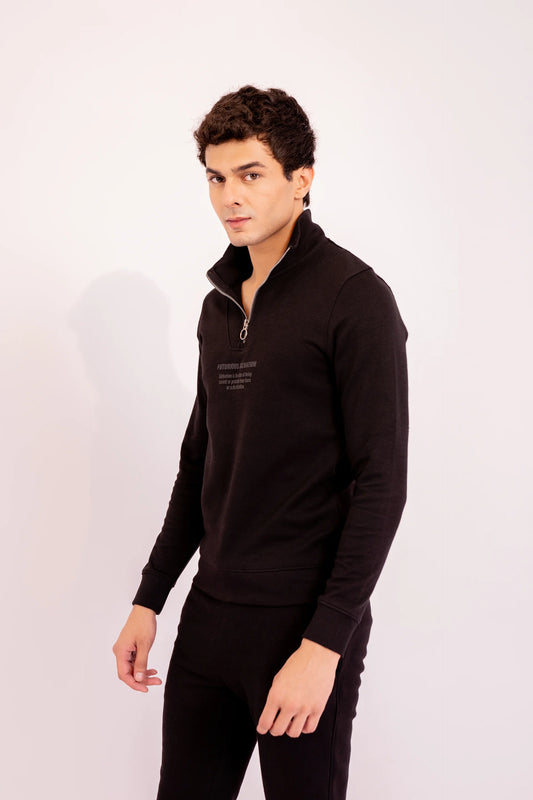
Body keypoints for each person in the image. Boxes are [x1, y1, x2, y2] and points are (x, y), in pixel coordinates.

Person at [112, 85, 409, 800]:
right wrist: (150, 599)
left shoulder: (354, 298)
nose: (229, 197)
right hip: (211, 617)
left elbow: (381, 482)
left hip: (302, 623)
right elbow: (200, 463)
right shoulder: (219, 305)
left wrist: (325, 643)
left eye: (250, 174)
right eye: (216, 178)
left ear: (301, 180)